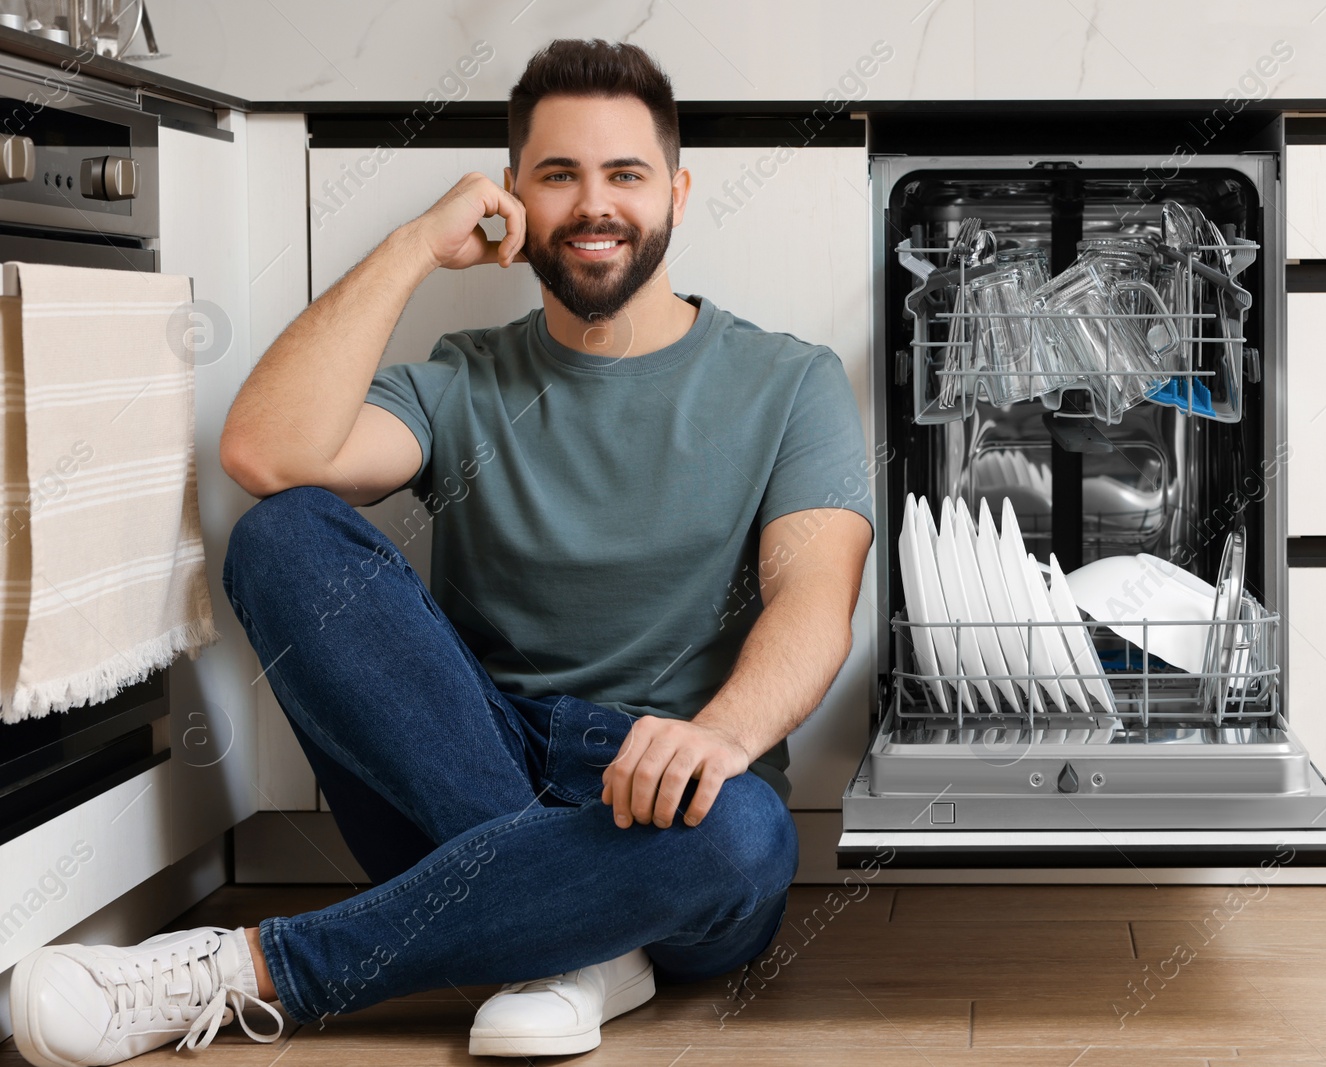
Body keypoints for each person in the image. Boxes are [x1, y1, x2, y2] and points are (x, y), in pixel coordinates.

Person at [7, 38, 872, 1067]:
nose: (594, 204)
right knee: (282, 532)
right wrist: (417, 243)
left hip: (671, 801)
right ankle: (574, 941)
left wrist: (721, 736)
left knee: (746, 832)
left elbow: (814, 598)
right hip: (468, 760)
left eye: (625, 174)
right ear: (514, 199)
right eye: (558, 175)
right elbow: (264, 453)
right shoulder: (463, 380)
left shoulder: (790, 381)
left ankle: (244, 968)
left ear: (677, 191)